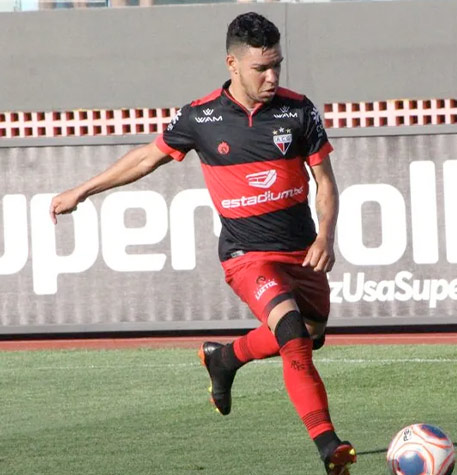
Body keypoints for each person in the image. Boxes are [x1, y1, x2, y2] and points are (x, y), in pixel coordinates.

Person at [49, 12, 355, 475]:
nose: (272, 77)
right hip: (246, 256)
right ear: (232, 63)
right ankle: (328, 445)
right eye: (261, 68)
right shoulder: (201, 116)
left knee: (311, 334)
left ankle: (225, 358)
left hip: (302, 252)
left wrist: (326, 234)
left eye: (277, 65)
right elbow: (148, 157)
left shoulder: (299, 110)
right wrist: (82, 190)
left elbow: (326, 183)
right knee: (293, 336)